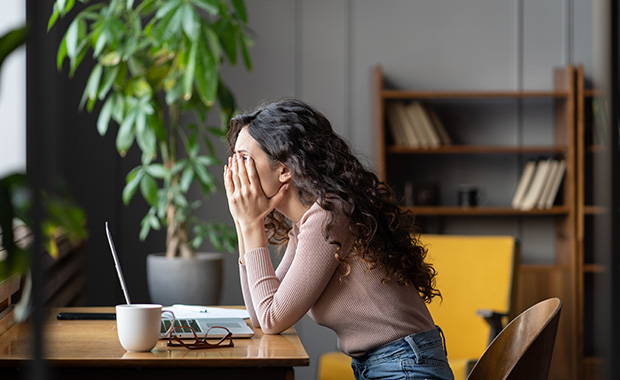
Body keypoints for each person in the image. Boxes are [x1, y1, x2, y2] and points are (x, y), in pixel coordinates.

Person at [223, 98, 454, 380]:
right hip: (387, 365)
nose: (234, 170)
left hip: (406, 368)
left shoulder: (330, 215)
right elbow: (262, 315)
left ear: (284, 169)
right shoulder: (308, 223)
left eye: (244, 158)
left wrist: (250, 224)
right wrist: (244, 222)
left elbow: (272, 318)